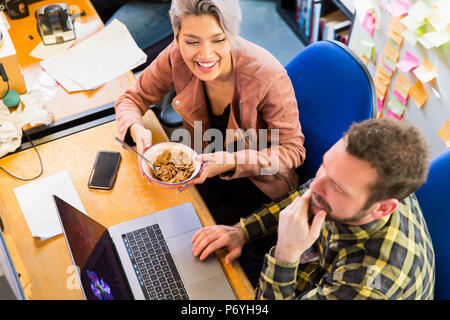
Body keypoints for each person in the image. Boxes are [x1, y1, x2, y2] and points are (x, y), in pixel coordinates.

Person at [191, 118, 435, 300]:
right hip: (316, 271)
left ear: (382, 209)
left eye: (338, 188)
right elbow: (310, 191)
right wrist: (242, 232)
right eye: (325, 165)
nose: (315, 185)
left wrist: (285, 255)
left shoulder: (367, 285)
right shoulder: (374, 182)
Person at [115, 0, 306, 226]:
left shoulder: (268, 76)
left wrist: (231, 161)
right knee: (158, 215)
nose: (205, 55)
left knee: (196, 237)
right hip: (206, 169)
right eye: (192, 41)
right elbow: (131, 99)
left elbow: (293, 151)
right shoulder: (175, 55)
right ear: (176, 37)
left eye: (218, 40)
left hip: (260, 188)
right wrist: (137, 130)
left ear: (232, 36)